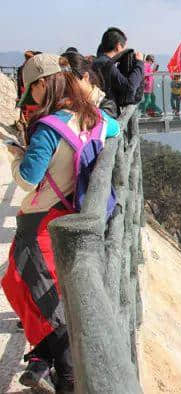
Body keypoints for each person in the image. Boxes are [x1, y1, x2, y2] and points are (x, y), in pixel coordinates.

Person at [3, 53, 120, 393]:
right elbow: (112, 129)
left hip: (42, 219)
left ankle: (67, 372)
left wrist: (17, 157)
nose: (31, 95)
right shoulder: (93, 116)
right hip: (73, 211)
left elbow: (28, 178)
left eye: (31, 88)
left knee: (33, 289)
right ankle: (43, 356)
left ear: (42, 84)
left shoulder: (48, 128)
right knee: (21, 283)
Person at [92, 27, 144, 108]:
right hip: (107, 111)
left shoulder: (96, 62)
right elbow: (130, 87)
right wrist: (139, 63)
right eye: (123, 48)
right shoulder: (106, 64)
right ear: (118, 46)